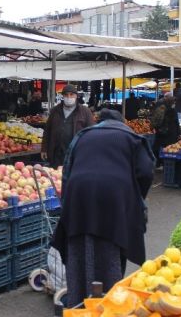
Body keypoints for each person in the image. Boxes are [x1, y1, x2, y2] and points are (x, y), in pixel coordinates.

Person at [52, 109, 154, 305]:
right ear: (122, 123)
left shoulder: (82, 136)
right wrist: (134, 196)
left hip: (79, 194)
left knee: (79, 246)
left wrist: (68, 203)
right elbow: (146, 171)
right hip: (114, 197)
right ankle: (108, 300)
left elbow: (67, 168)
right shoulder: (132, 138)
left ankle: (78, 299)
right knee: (110, 244)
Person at [41, 84, 95, 169]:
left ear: (76, 96)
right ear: (63, 96)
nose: (69, 97)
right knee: (56, 177)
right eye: (66, 95)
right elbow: (47, 130)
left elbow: (92, 134)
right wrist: (44, 148)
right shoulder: (55, 110)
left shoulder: (85, 112)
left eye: (71, 94)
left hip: (76, 154)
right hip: (56, 153)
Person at [151, 93, 181, 165]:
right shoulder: (172, 110)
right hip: (169, 133)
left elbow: (156, 120)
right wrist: (179, 133)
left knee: (157, 147)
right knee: (168, 149)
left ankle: (159, 163)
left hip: (162, 132)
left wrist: (155, 127)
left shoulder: (161, 107)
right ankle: (164, 163)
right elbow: (176, 122)